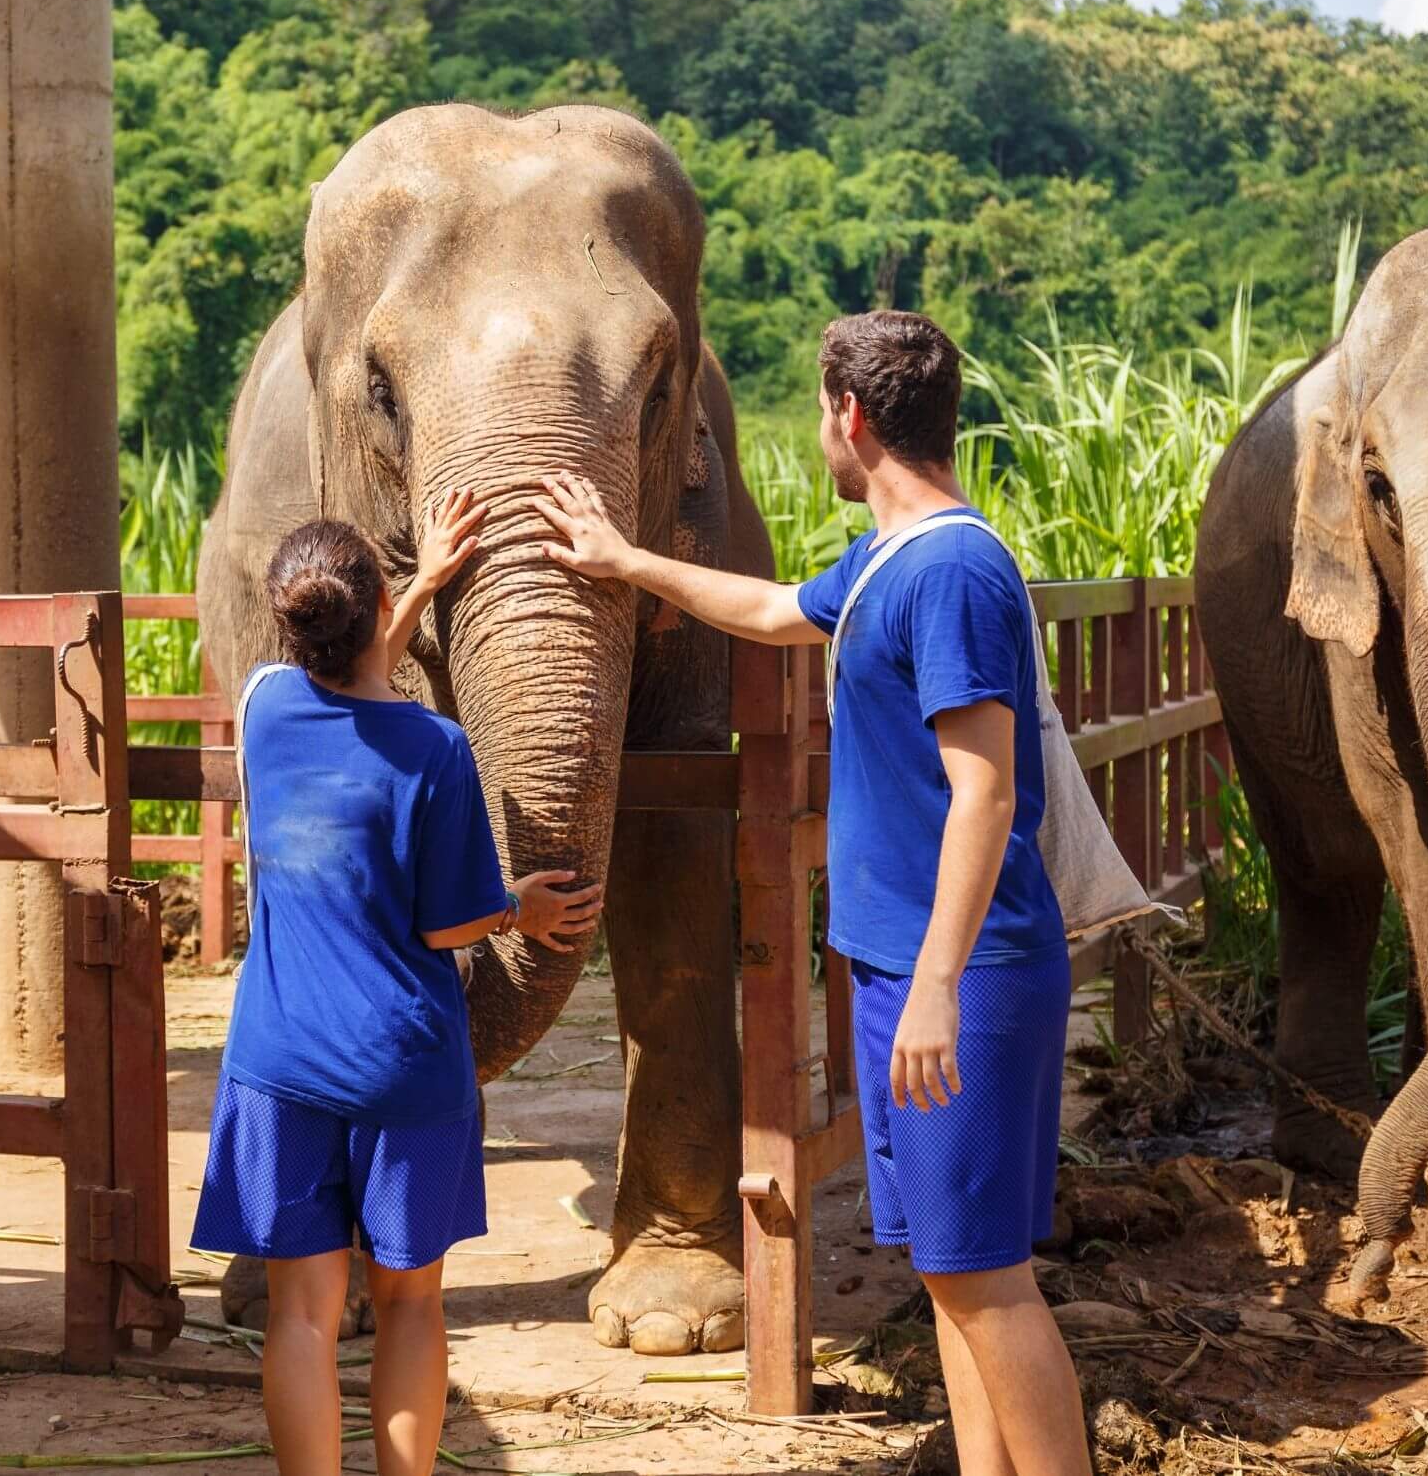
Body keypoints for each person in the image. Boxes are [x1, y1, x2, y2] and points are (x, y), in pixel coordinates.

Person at [532, 311, 1089, 1476]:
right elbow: (779, 610)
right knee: (948, 1267)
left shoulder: (950, 570)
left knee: (985, 1276)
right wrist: (624, 560)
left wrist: (937, 983)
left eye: (817, 411)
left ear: (849, 416)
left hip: (964, 977)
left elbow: (983, 794)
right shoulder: (886, 559)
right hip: (903, 965)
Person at [192, 492, 607, 1476]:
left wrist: (410, 587)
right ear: (376, 609)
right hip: (403, 1067)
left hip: (280, 1059)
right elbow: (445, 921)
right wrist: (519, 908)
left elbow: (347, 676)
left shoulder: (261, 707)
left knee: (300, 1310)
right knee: (411, 1301)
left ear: (290, 625)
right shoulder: (435, 750)